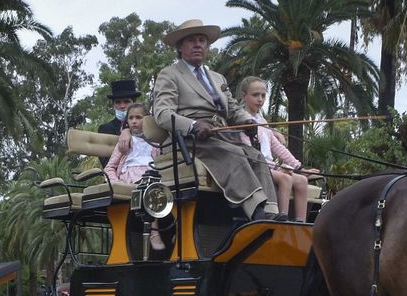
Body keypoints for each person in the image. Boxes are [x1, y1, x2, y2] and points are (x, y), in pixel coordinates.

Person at [151, 19, 279, 223]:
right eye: (191, 40)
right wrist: (193, 126)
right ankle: (256, 211)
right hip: (189, 140)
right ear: (180, 47)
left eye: (202, 40)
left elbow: (233, 109)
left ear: (207, 46)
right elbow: (162, 113)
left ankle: (271, 210)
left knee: (255, 155)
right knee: (234, 153)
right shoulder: (170, 74)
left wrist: (247, 121)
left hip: (220, 135)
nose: (198, 45)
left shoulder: (218, 78)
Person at [236, 76, 317, 222]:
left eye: (263, 95)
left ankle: (300, 222)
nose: (260, 99)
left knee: (301, 181)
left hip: (272, 168)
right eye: (255, 95)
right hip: (257, 168)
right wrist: (278, 169)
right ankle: (281, 218)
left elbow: (278, 148)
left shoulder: (263, 122)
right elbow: (250, 151)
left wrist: (299, 167)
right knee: (285, 178)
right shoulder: (241, 122)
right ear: (244, 96)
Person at [105, 103, 166, 252]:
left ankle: (173, 231)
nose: (134, 121)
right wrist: (116, 183)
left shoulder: (156, 143)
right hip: (132, 176)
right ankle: (154, 231)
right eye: (131, 118)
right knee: (148, 185)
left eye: (138, 117)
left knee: (166, 185)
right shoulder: (125, 143)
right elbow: (109, 167)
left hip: (153, 173)